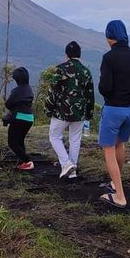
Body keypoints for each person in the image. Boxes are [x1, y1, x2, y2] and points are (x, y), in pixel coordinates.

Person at [97, 19, 130, 209]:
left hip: (113, 109)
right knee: (120, 144)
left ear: (110, 37)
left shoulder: (109, 58)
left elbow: (105, 87)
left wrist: (111, 95)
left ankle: (119, 196)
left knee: (108, 149)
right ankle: (116, 183)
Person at [45, 41, 95, 179]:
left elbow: (52, 91)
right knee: (75, 139)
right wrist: (89, 113)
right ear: (79, 54)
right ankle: (72, 171)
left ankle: (66, 163)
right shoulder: (86, 71)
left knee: (54, 136)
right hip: (80, 112)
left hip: (61, 111)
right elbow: (90, 94)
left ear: (66, 54)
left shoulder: (61, 69)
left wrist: (48, 109)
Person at [5, 67, 35, 170]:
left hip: (19, 118)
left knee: (12, 142)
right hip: (29, 118)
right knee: (20, 141)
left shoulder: (17, 90)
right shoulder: (29, 89)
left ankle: (28, 161)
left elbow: (8, 104)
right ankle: (23, 162)